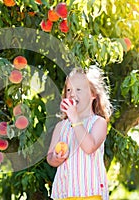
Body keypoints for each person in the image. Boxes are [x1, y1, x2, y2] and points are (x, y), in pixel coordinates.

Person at [47, 65, 113, 200]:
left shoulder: (98, 123)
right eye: (69, 90)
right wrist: (56, 157)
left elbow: (89, 147)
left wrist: (75, 118)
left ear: (93, 94)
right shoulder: (61, 126)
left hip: (90, 193)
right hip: (64, 193)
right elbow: (50, 158)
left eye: (78, 89)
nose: (72, 94)